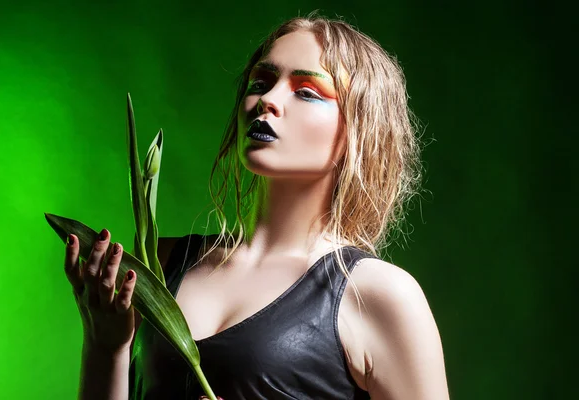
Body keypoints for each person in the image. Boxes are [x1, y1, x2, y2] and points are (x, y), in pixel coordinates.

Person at [64, 12, 450, 400]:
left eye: (306, 91)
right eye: (261, 82)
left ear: (359, 128)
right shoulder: (164, 263)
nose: (267, 99)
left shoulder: (376, 294)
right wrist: (106, 346)